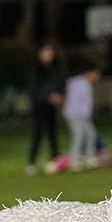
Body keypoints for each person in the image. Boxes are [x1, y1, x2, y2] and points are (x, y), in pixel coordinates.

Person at [26, 43, 65, 175]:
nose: (48, 56)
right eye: (46, 53)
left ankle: (55, 161)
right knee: (37, 134)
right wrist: (48, 97)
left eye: (50, 53)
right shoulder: (36, 70)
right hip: (39, 107)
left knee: (53, 134)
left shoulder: (56, 69)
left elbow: (60, 85)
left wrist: (59, 96)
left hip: (51, 108)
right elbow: (33, 90)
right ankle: (31, 162)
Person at [63, 63, 101, 170]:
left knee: (91, 134)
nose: (97, 77)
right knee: (79, 136)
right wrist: (80, 114)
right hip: (75, 114)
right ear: (90, 73)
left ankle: (90, 159)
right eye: (96, 74)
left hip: (83, 115)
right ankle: (74, 161)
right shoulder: (78, 82)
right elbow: (74, 100)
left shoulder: (85, 83)